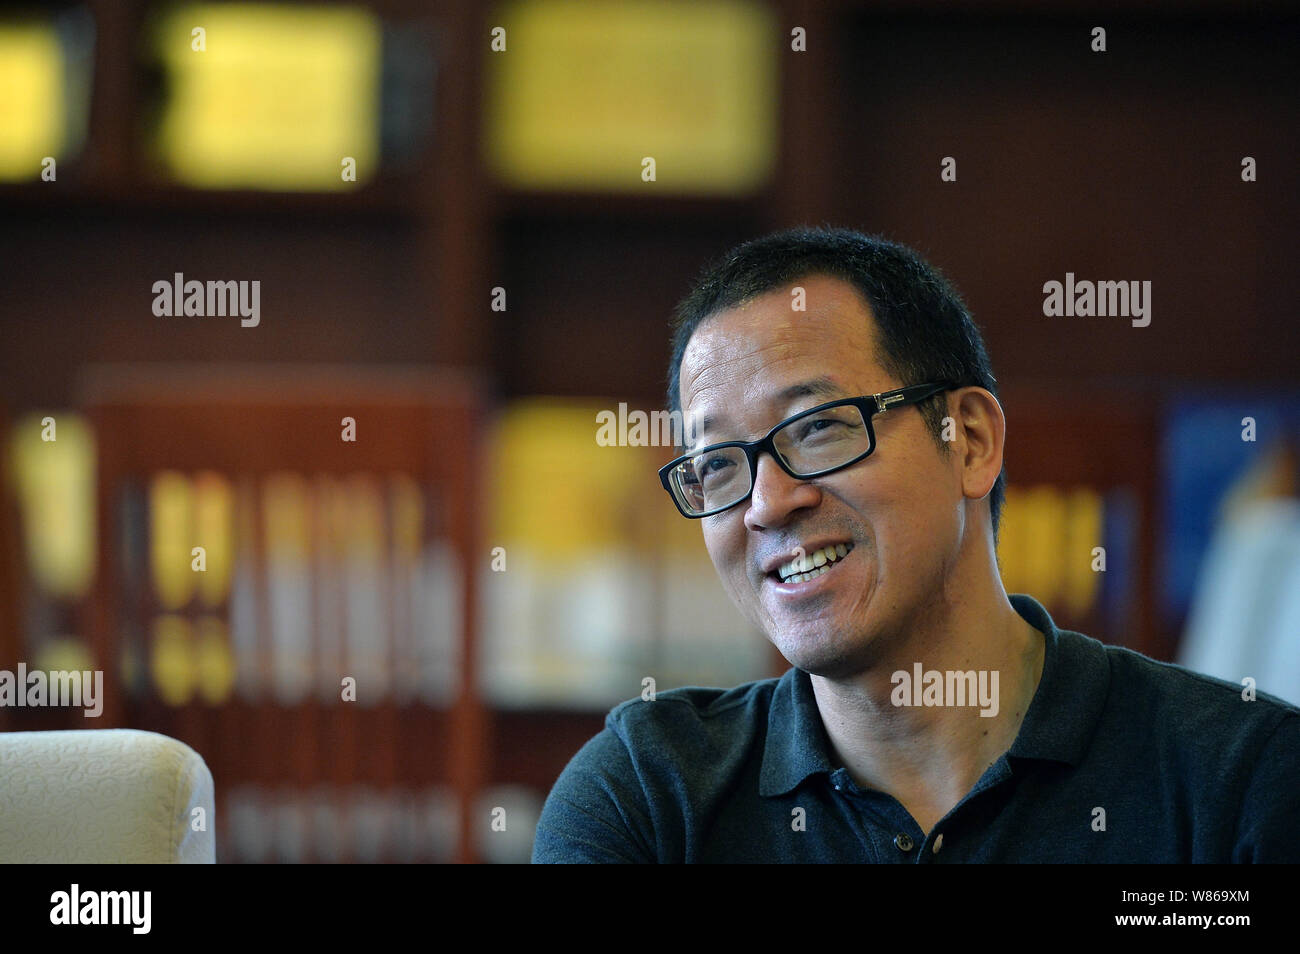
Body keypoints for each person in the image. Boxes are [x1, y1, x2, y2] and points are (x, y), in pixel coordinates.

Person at [531, 226, 1300, 863]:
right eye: (717, 466)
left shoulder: (1241, 783)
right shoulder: (651, 802)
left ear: (969, 440)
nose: (767, 503)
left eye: (817, 427)